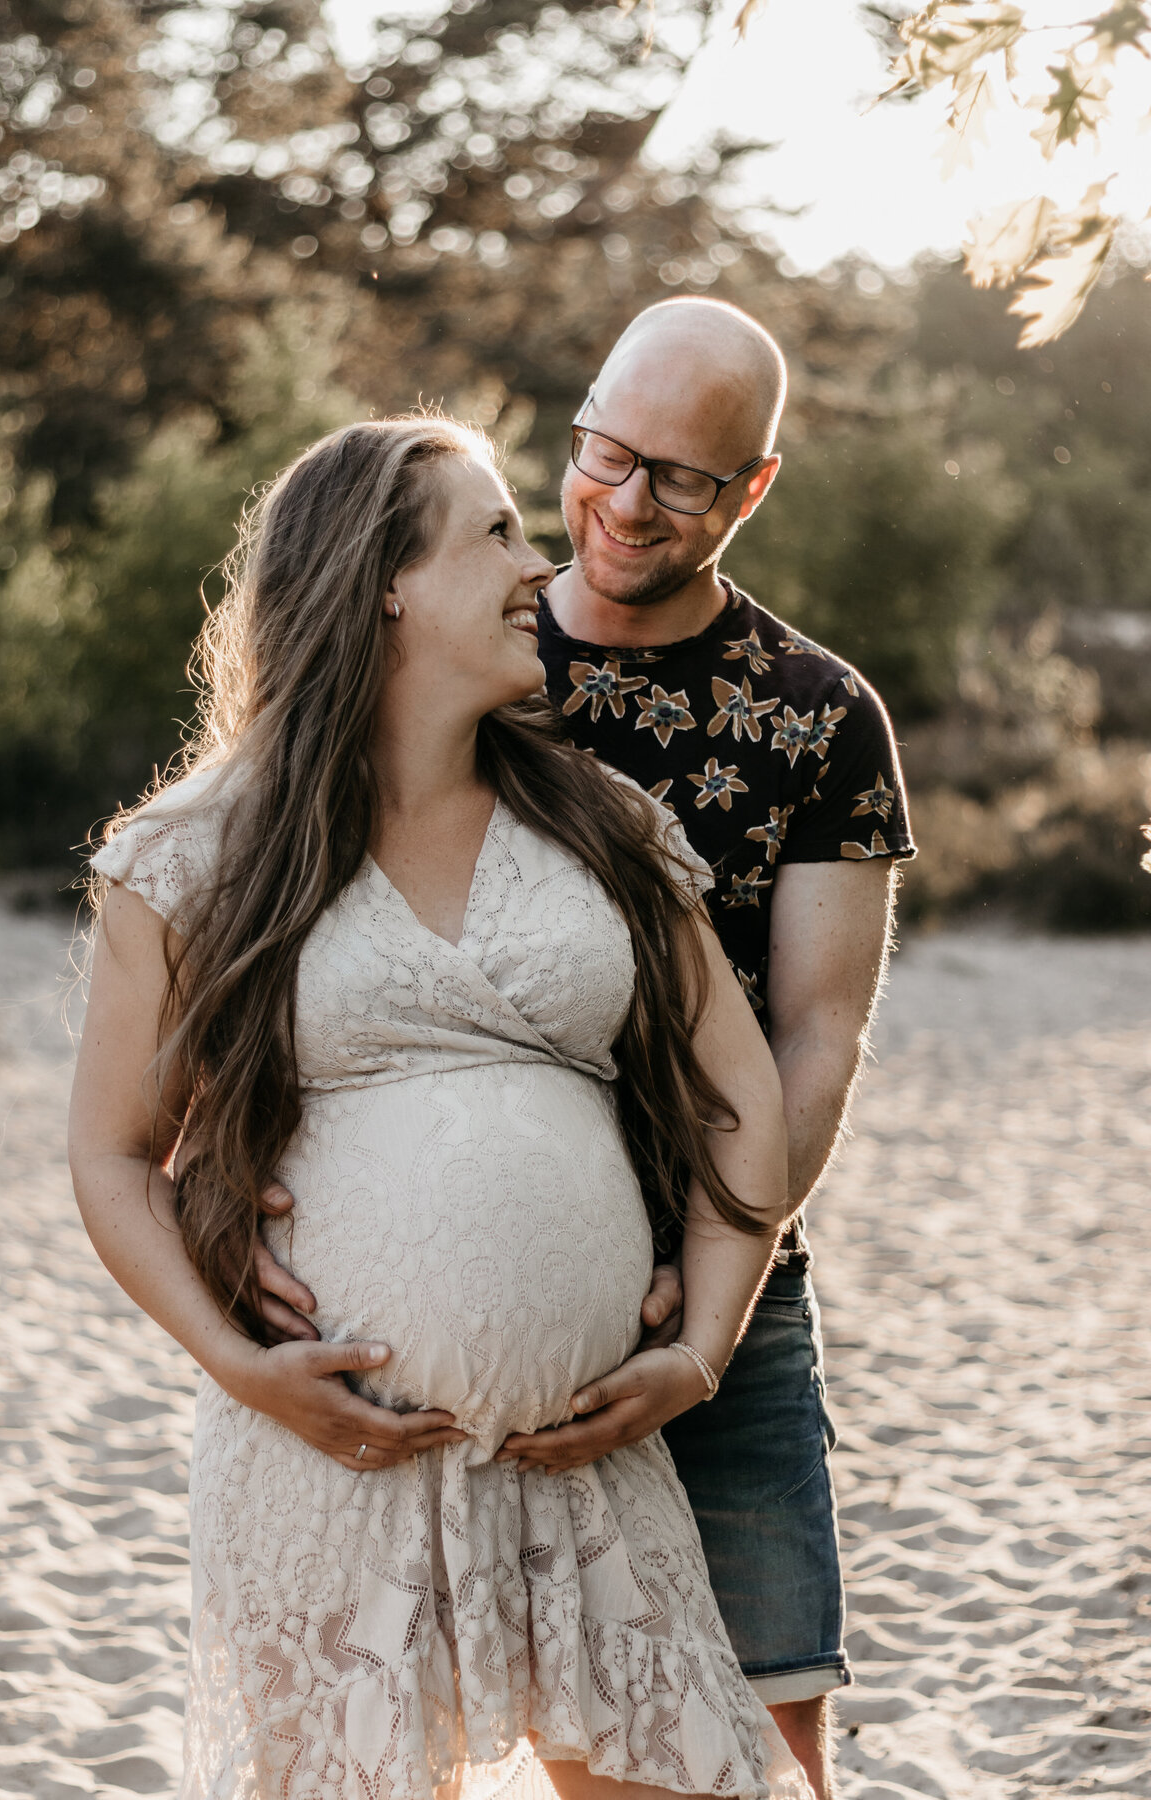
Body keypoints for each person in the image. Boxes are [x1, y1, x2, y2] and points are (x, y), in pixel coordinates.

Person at [68, 416, 815, 1800]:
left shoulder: (605, 827)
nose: (540, 570)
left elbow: (740, 1100)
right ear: (384, 581)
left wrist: (703, 1344)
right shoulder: (196, 851)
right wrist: (240, 1369)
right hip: (328, 1456)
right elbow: (114, 1155)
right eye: (496, 535)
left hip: (589, 1457)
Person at [254, 302, 916, 1799]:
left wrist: (708, 1303)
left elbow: (813, 1039)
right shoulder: (459, 629)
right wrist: (227, 1196)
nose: (623, 504)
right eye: (606, 453)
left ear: (753, 488)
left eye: (683, 479)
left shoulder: (818, 721)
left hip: (721, 1302)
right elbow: (272, 930)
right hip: (422, 1324)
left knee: (754, 1747)